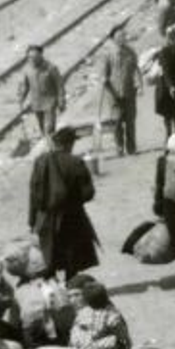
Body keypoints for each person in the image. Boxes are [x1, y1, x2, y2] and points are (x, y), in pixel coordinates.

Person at [28, 126, 101, 281]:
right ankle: (71, 286)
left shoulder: (40, 162)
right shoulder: (76, 162)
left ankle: (52, 289)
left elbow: (34, 194)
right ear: (70, 143)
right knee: (71, 259)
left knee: (49, 259)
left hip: (45, 218)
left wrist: (32, 220)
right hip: (72, 218)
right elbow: (88, 193)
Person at [99, 27, 142, 157]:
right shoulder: (108, 54)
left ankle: (131, 148)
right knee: (116, 122)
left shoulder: (131, 52)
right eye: (119, 37)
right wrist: (104, 79)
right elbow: (103, 73)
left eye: (123, 36)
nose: (122, 39)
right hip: (114, 93)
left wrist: (140, 85)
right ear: (113, 39)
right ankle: (119, 147)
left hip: (129, 92)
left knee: (130, 121)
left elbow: (136, 70)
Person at [16, 45, 65, 139]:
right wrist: (22, 97)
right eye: (30, 57)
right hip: (36, 103)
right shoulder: (28, 70)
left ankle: (50, 143)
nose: (32, 60)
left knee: (49, 128)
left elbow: (59, 85)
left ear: (41, 56)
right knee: (42, 127)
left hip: (50, 102)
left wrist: (61, 100)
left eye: (35, 57)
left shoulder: (51, 68)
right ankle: (47, 142)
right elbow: (26, 86)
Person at [153, 25, 175, 138]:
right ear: (169, 39)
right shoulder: (165, 51)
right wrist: (170, 87)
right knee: (168, 114)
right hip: (165, 86)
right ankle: (168, 137)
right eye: (174, 38)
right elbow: (166, 71)